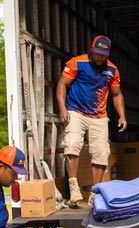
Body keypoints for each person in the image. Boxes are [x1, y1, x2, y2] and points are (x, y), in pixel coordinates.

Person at [56, 35, 127, 207]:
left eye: (103, 54)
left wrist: (122, 116)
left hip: (99, 114)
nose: (100, 57)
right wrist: (63, 109)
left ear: (107, 53)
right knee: (72, 144)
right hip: (76, 110)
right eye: (97, 53)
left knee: (101, 152)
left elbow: (117, 94)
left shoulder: (112, 70)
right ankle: (73, 186)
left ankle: (95, 192)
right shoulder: (77, 63)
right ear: (92, 49)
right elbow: (61, 85)